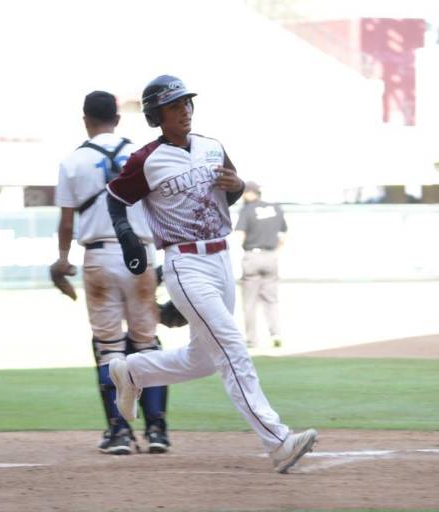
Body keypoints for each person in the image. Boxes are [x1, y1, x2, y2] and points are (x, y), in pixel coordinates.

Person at [105, 75, 317, 473]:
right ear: (155, 115)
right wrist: (129, 239)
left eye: (187, 102)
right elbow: (115, 198)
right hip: (185, 265)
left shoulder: (212, 147)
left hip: (222, 260)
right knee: (233, 347)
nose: (184, 109)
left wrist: (236, 186)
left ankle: (130, 370)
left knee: (201, 359)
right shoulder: (145, 160)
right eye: (174, 105)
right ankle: (279, 441)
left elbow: (230, 191)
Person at [50, 90, 169, 455]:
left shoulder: (73, 161)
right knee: (147, 344)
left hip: (99, 256)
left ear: (85, 119)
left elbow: (67, 221)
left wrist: (61, 259)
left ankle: (118, 432)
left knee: (108, 348)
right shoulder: (143, 154)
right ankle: (157, 431)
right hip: (140, 253)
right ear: (118, 119)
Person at [234, 181, 288, 349]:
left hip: (252, 256)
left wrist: (240, 253)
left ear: (249, 193)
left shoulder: (247, 210)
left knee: (250, 302)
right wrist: (275, 251)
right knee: (271, 300)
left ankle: (252, 340)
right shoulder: (276, 208)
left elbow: (239, 235)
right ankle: (276, 334)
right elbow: (284, 234)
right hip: (271, 256)